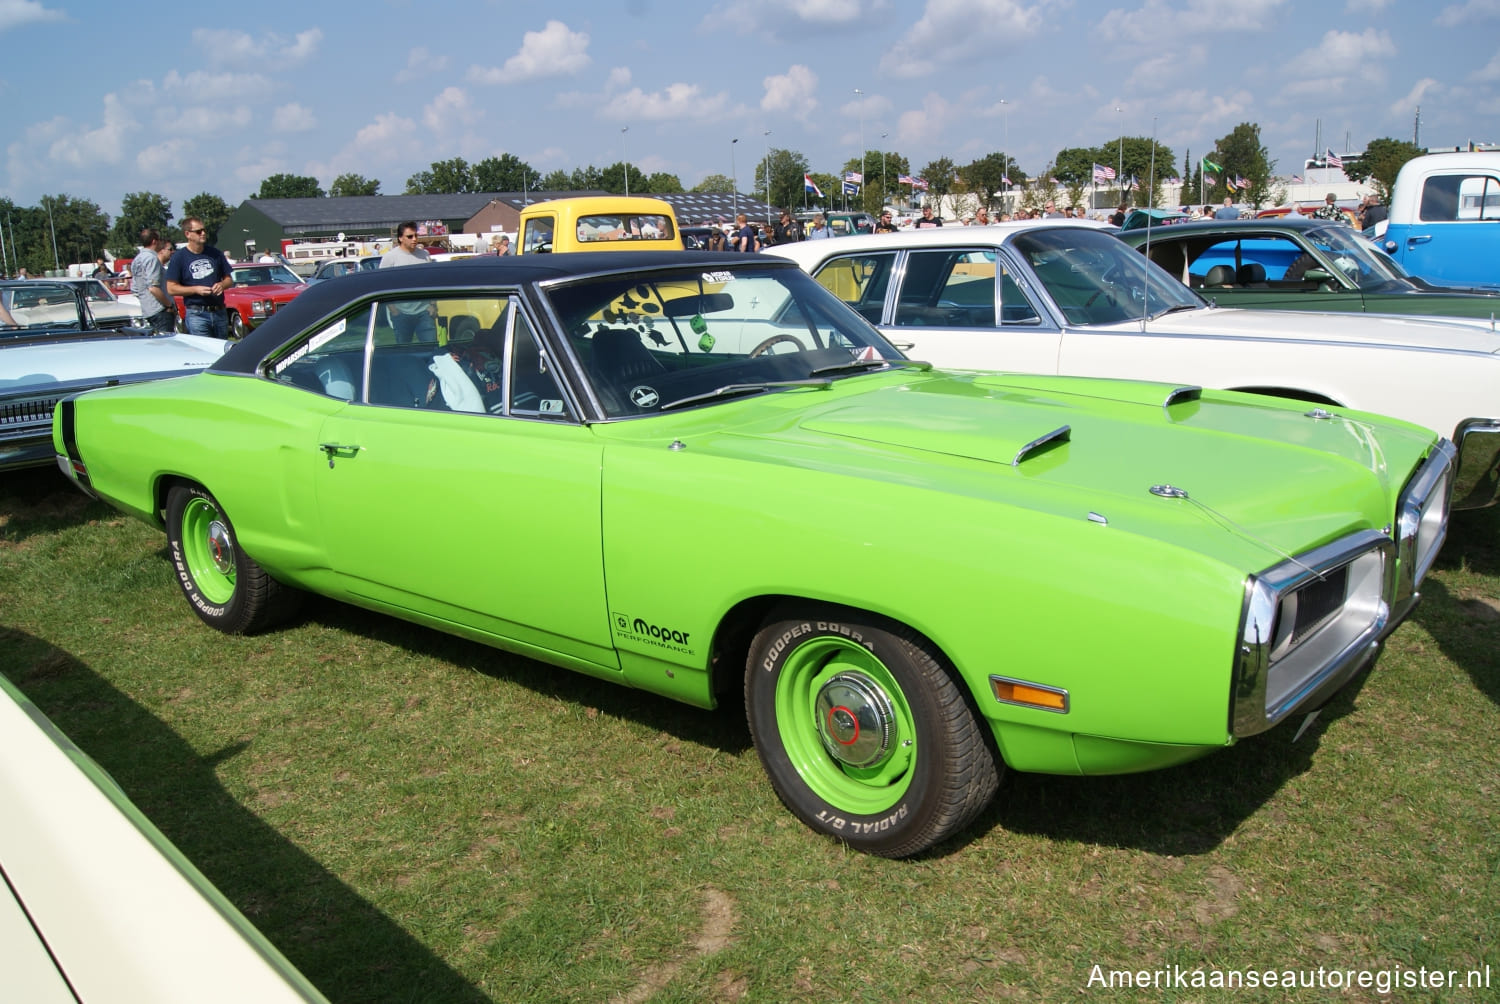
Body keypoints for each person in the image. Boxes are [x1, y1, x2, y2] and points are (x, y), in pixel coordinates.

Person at [165, 217, 234, 339]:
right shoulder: (179, 257)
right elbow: (171, 288)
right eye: (198, 231)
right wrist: (195, 289)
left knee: (222, 351)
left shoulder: (215, 253)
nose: (203, 233)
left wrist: (222, 285)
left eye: (204, 230)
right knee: (205, 350)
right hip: (197, 313)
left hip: (219, 311)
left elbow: (229, 280)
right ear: (188, 234)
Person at [379, 221, 437, 343]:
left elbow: (431, 282)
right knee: (404, 352)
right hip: (402, 314)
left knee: (431, 350)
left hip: (424, 312)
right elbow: (382, 285)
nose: (414, 239)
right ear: (400, 238)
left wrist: (432, 304)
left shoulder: (424, 255)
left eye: (416, 236)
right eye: (410, 236)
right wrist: (394, 310)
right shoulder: (390, 258)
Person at [130, 228, 176, 334]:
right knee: (166, 344)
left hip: (148, 310)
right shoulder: (152, 259)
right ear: (154, 241)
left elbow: (135, 289)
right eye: (159, 240)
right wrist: (169, 305)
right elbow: (153, 287)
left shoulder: (136, 260)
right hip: (160, 310)